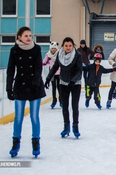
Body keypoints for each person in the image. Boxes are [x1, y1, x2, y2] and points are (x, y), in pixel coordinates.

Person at [6, 26, 46, 158]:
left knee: (34, 116)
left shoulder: (36, 49)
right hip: (20, 86)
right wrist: (8, 88)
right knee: (18, 117)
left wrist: (35, 84)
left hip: (35, 86)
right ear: (19, 37)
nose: (29, 38)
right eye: (26, 36)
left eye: (30, 35)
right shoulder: (14, 50)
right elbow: (11, 70)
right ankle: (15, 143)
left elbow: (38, 68)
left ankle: (36, 142)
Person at [44, 37, 82, 138]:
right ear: (63, 46)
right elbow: (55, 67)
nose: (68, 47)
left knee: (74, 106)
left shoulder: (77, 55)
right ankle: (66, 126)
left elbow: (79, 70)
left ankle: (75, 126)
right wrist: (48, 78)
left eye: (70, 46)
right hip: (63, 83)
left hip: (75, 84)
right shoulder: (59, 55)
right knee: (64, 106)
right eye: (66, 46)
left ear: (73, 46)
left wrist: (73, 81)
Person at [42, 41, 61, 108]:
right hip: (52, 73)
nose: (53, 50)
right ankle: (54, 100)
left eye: (55, 48)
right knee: (54, 88)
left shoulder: (59, 54)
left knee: (59, 87)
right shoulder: (48, 55)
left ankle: (60, 100)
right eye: (52, 48)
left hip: (59, 73)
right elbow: (44, 62)